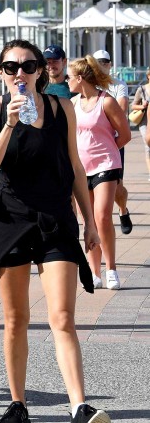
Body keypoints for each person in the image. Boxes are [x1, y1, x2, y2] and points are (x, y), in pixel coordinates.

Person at [0, 40, 109, 423]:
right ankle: (19, 405)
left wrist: (90, 221)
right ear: (0, 71)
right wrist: (10, 124)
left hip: (54, 218)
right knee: (16, 319)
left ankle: (79, 408)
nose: (21, 73)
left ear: (40, 70)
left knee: (63, 317)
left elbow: (75, 165)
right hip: (10, 219)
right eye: (12, 67)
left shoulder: (60, 106)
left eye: (29, 66)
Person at [68, 55, 130, 290]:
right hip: (81, 168)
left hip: (106, 164)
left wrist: (108, 150)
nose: (67, 81)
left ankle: (111, 268)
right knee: (88, 220)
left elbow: (124, 134)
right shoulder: (73, 104)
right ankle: (94, 272)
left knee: (103, 216)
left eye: (70, 77)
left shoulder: (107, 102)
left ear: (80, 78)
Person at [92, 50, 132, 236]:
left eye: (105, 62)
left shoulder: (118, 85)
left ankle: (123, 209)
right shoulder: (88, 84)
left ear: (110, 64)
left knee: (116, 186)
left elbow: (122, 108)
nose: (102, 65)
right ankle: (96, 225)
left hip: (112, 139)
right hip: (90, 143)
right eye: (98, 62)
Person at [131, 66, 150, 179]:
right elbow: (133, 105)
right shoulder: (142, 89)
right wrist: (142, 106)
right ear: (148, 76)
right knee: (148, 147)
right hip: (144, 122)